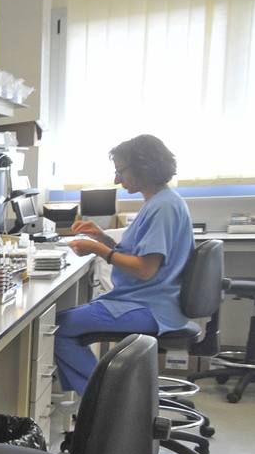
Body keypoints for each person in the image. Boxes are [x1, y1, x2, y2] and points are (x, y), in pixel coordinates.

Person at [55, 134, 194, 395]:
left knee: (56, 327)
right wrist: (102, 237)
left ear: (143, 168)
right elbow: (140, 253)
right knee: (60, 322)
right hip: (148, 301)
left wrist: (99, 250)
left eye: (121, 171)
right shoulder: (161, 201)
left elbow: (144, 269)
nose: (117, 179)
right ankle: (99, 401)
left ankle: (103, 406)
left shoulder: (162, 208)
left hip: (150, 307)